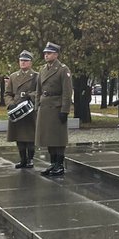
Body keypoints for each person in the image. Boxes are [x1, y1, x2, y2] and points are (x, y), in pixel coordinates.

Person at [35, 41, 72, 176]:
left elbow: (67, 92)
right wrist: (37, 104)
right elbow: (38, 90)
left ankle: (59, 164)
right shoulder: (43, 69)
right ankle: (52, 164)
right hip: (45, 106)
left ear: (56, 55)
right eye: (45, 53)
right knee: (48, 138)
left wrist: (65, 110)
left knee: (58, 138)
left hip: (56, 106)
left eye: (49, 53)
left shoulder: (63, 69)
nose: (46, 55)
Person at [5, 50, 39, 169]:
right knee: (18, 136)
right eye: (21, 60)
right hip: (16, 110)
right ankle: (22, 159)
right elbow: (8, 93)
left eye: (25, 61)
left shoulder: (36, 76)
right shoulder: (14, 76)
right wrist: (10, 104)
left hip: (29, 110)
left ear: (30, 62)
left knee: (30, 136)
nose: (23, 63)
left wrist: (30, 96)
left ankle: (30, 159)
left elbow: (39, 92)